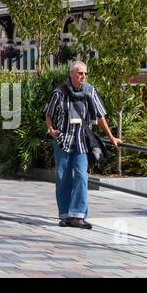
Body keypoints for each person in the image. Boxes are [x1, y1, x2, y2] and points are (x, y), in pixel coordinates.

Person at [44, 60, 120, 230]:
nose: (83, 76)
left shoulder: (90, 91)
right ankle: (65, 215)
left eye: (85, 73)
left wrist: (112, 137)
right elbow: (48, 113)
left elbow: (100, 117)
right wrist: (50, 129)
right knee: (62, 176)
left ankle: (78, 215)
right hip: (63, 139)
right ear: (71, 74)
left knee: (81, 176)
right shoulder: (59, 93)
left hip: (82, 141)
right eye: (80, 73)